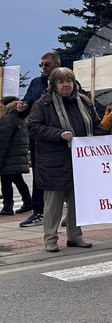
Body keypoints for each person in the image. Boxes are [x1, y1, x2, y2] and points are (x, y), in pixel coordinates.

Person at [25, 68, 102, 252]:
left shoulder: (84, 101)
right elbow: (33, 127)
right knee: (53, 205)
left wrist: (94, 141)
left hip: (80, 162)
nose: (65, 85)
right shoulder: (43, 104)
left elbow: (96, 125)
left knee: (77, 203)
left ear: (74, 83)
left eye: (69, 81)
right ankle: (50, 239)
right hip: (54, 163)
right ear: (53, 84)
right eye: (60, 82)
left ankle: (75, 236)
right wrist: (58, 134)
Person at [17, 50, 61, 228]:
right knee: (39, 173)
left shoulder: (67, 81)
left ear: (57, 64)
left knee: (65, 173)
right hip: (39, 137)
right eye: (41, 65)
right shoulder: (36, 83)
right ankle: (39, 211)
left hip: (60, 135)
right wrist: (22, 107)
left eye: (47, 64)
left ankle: (73, 211)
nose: (43, 68)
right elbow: (27, 102)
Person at [0, 96, 32, 216]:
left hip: (9, 156)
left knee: (6, 182)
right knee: (18, 180)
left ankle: (8, 206)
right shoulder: (23, 117)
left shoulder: (8, 118)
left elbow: (3, 141)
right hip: (18, 154)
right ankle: (28, 202)